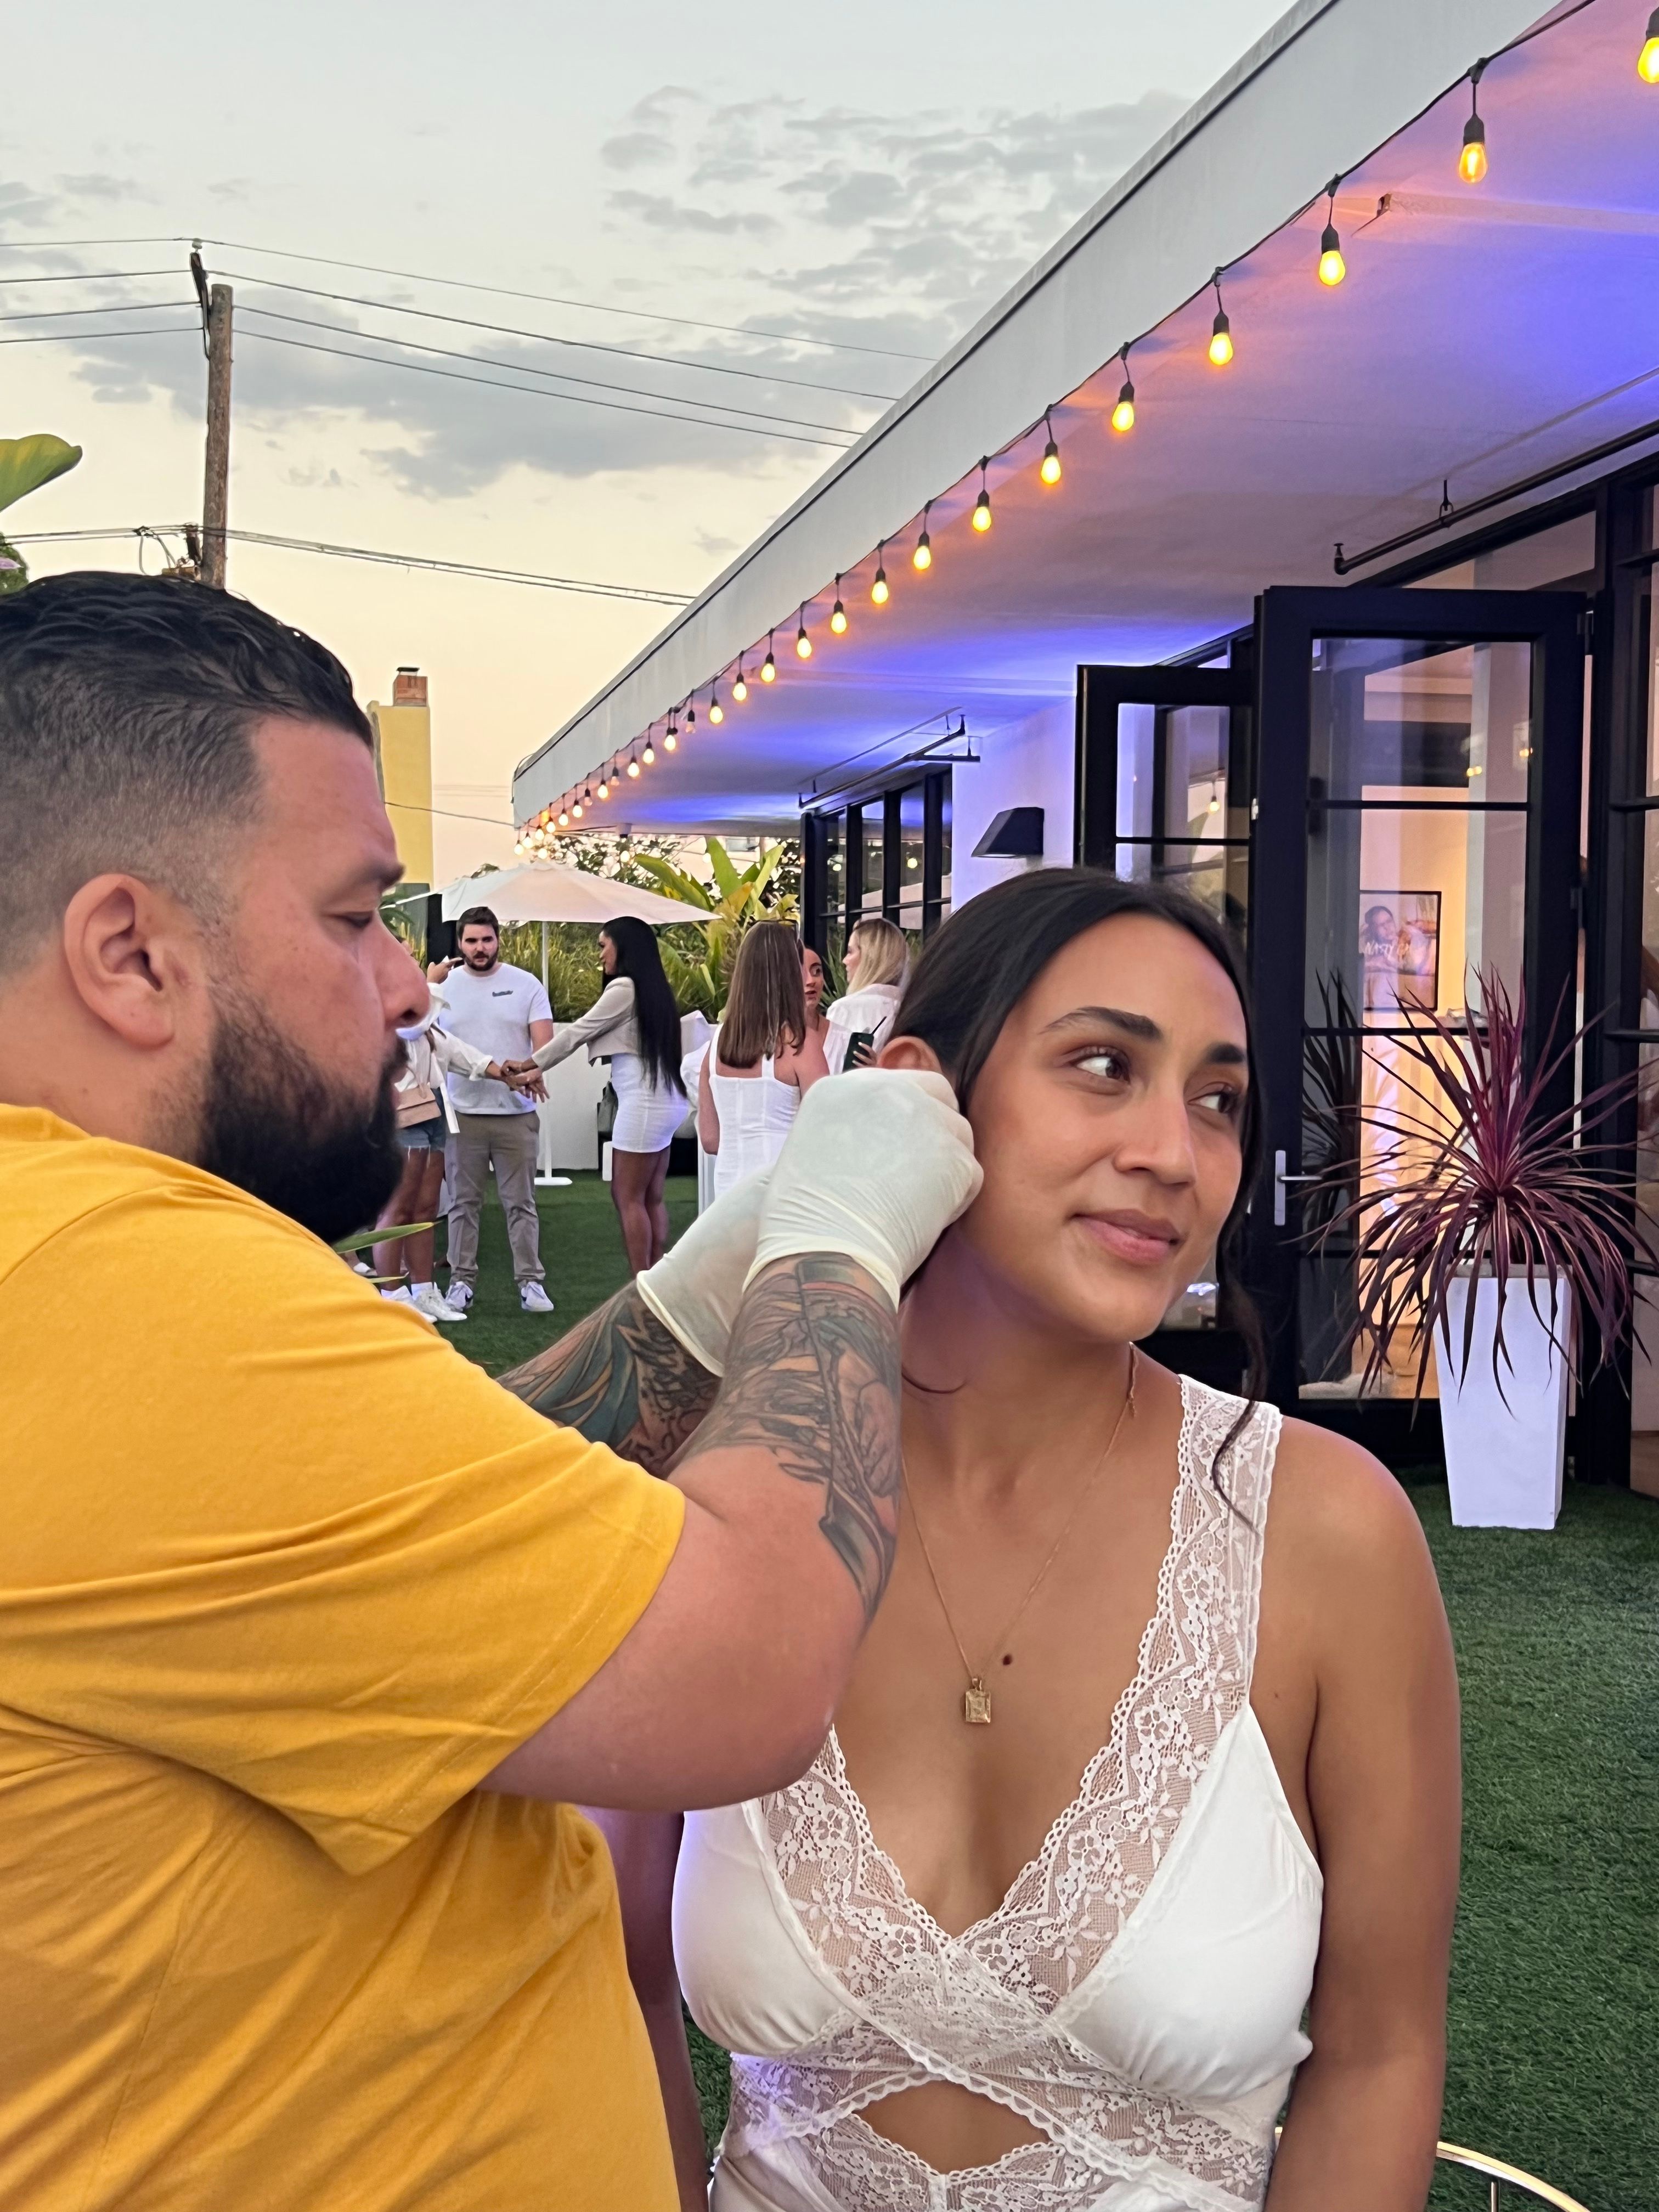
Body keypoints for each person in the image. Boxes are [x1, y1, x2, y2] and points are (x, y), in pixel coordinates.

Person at [0, 571, 984, 2212]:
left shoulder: (63, 1269)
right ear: (128, 952)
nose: (405, 984)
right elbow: (746, 1667)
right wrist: (840, 1245)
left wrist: (705, 1282)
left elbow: (420, 1512)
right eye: (351, 918)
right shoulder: (112, 1285)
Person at [603, 869, 1463, 2212]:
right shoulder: (706, 1503)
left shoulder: (1324, 1534)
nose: (1176, 1154)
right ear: (914, 1095)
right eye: (1105, 1066)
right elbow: (619, 1983)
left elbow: (1380, 2053)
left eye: (1219, 1100)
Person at [521, 916, 686, 1277]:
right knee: (650, 1196)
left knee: (626, 1195)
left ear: (623, 947)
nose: (600, 955)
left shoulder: (625, 988)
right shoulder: (655, 988)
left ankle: (641, 1284)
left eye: (602, 945)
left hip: (644, 1101)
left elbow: (578, 1032)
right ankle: (656, 1279)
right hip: (665, 1100)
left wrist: (530, 1063)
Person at [374, 976, 538, 1321]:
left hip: (433, 1114)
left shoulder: (430, 1030)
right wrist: (430, 984)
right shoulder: (393, 1019)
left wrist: (505, 1074)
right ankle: (392, 1294)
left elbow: (465, 1055)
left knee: (426, 1209)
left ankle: (424, 1292)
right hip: (403, 1116)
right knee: (398, 1209)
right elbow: (413, 1029)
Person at [433, 905, 555, 1316]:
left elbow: (545, 1047)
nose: (480, 948)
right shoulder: (444, 988)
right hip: (462, 1114)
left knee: (521, 1203)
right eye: (471, 940)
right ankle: (461, 1283)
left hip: (517, 1115)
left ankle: (531, 1283)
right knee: (462, 1204)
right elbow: (430, 1041)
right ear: (460, 944)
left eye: (486, 939)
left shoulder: (526, 984)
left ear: (498, 940)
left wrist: (533, 1070)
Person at [699, 918, 829, 1198]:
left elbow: (710, 1139)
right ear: (790, 973)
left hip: (728, 1191)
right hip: (783, 1190)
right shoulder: (800, 1042)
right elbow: (825, 1131)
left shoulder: (716, 1044)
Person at [823, 912, 909, 1073]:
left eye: (850, 951)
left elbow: (830, 1073)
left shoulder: (844, 1009)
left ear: (870, 958)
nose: (844, 961)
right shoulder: (911, 1009)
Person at [801, 939, 831, 1046]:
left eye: (817, 971)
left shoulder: (843, 1037)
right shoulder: (768, 1040)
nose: (811, 981)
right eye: (801, 972)